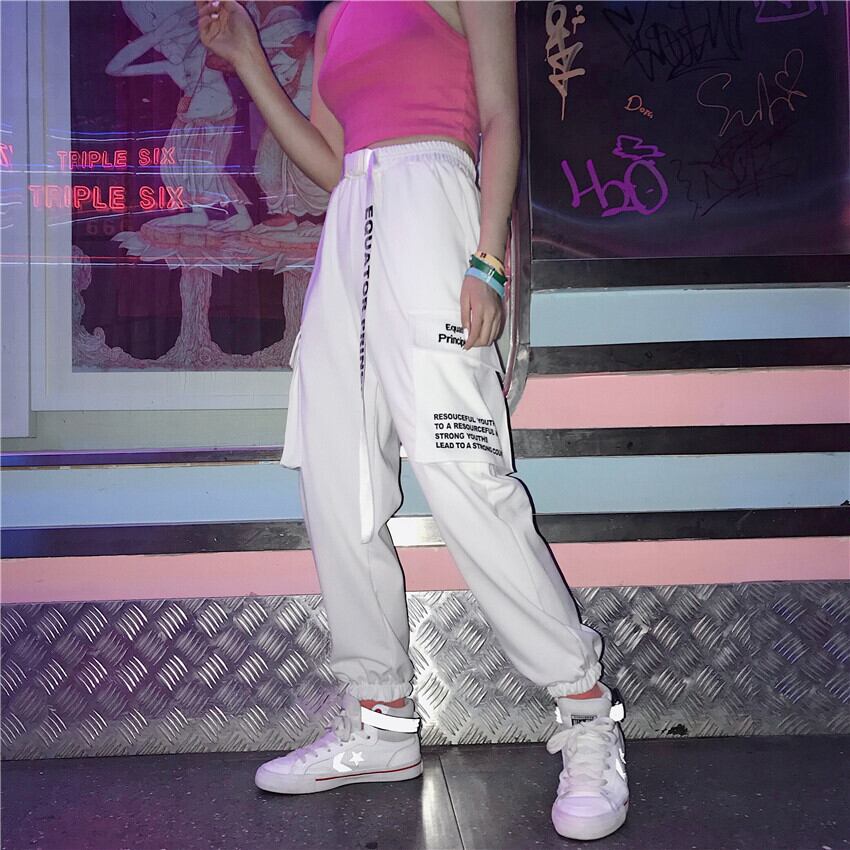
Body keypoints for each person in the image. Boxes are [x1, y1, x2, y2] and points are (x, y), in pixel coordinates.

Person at [197, 0, 629, 840]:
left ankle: (584, 714)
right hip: (349, 226)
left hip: (435, 209)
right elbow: (331, 163)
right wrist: (249, 61)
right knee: (337, 481)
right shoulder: (336, 19)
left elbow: (500, 119)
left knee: (463, 475)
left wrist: (489, 260)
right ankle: (380, 717)